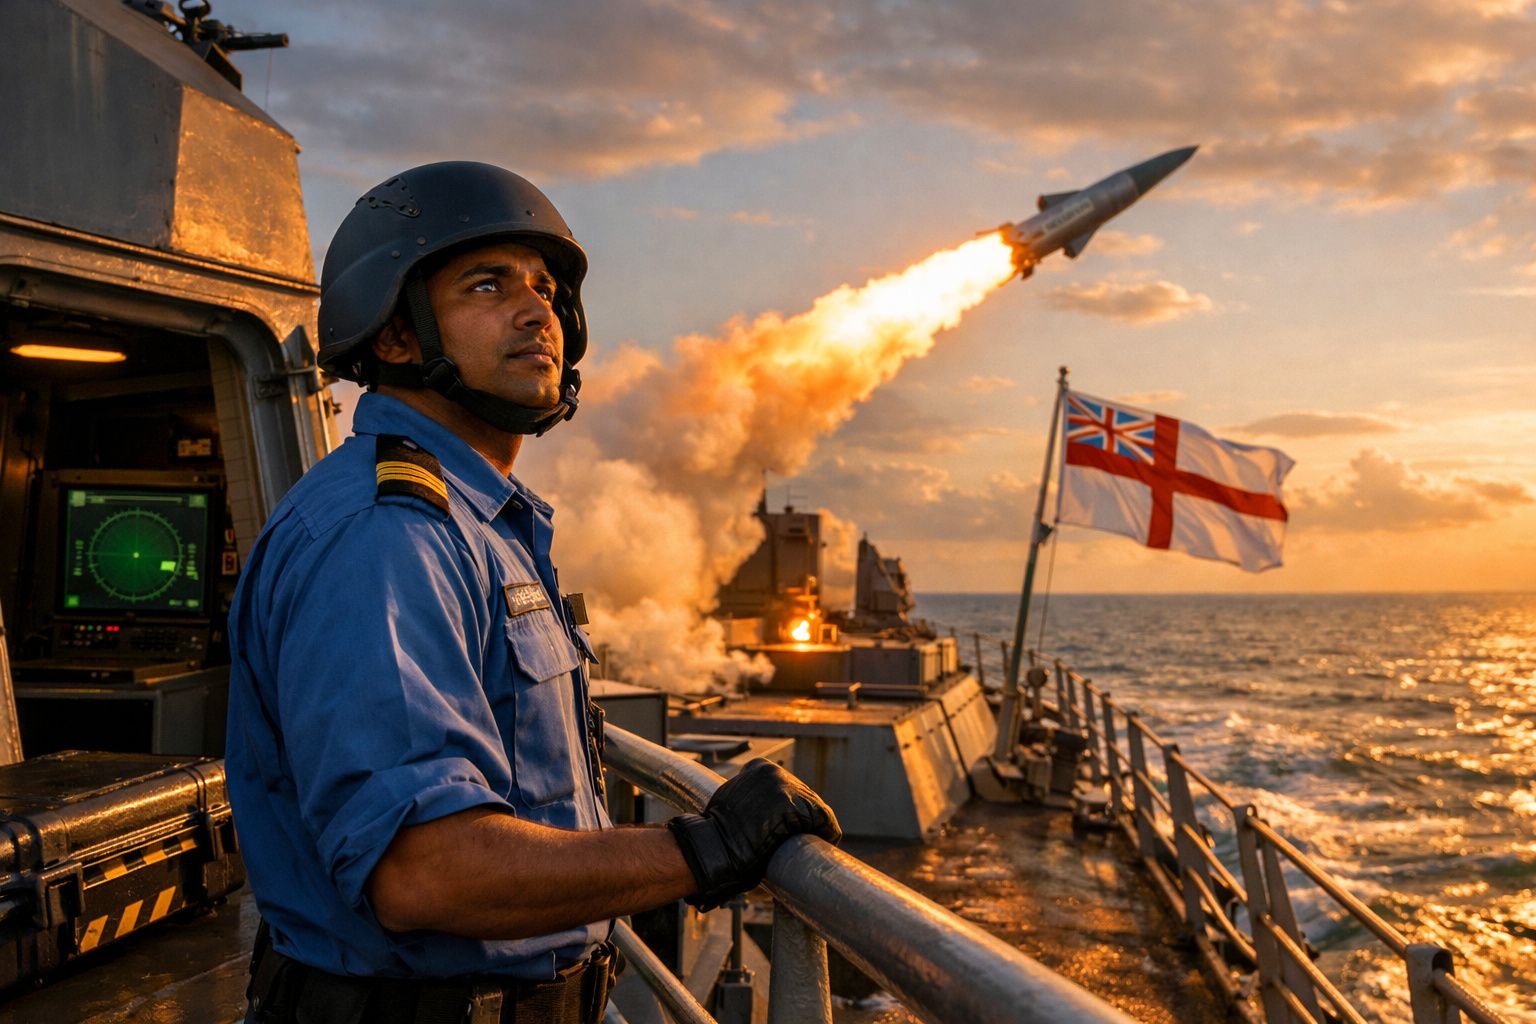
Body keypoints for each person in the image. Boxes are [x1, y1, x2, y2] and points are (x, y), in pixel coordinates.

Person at [226, 162, 841, 1024]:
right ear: (399, 337)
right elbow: (422, 871)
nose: (537, 312)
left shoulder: (478, 523)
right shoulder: (389, 537)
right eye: (489, 286)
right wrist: (703, 850)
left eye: (547, 290)